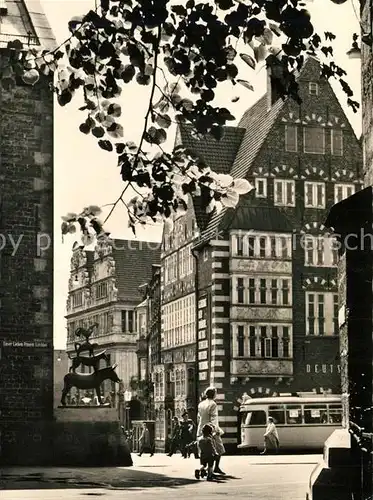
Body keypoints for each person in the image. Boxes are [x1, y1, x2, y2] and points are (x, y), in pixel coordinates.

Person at [197, 387, 226, 475]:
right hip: (210, 428)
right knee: (219, 449)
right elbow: (213, 418)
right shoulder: (213, 404)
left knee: (203, 450)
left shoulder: (201, 404)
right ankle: (215, 467)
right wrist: (215, 430)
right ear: (213, 394)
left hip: (201, 427)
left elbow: (199, 416)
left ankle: (205, 467)